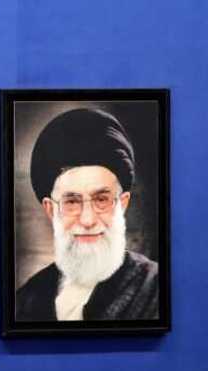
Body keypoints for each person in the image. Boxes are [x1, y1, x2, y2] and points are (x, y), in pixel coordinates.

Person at [15, 107, 159, 321]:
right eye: (72, 201)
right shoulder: (27, 299)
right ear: (51, 209)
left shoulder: (155, 287)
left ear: (123, 203)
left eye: (101, 200)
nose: (88, 220)